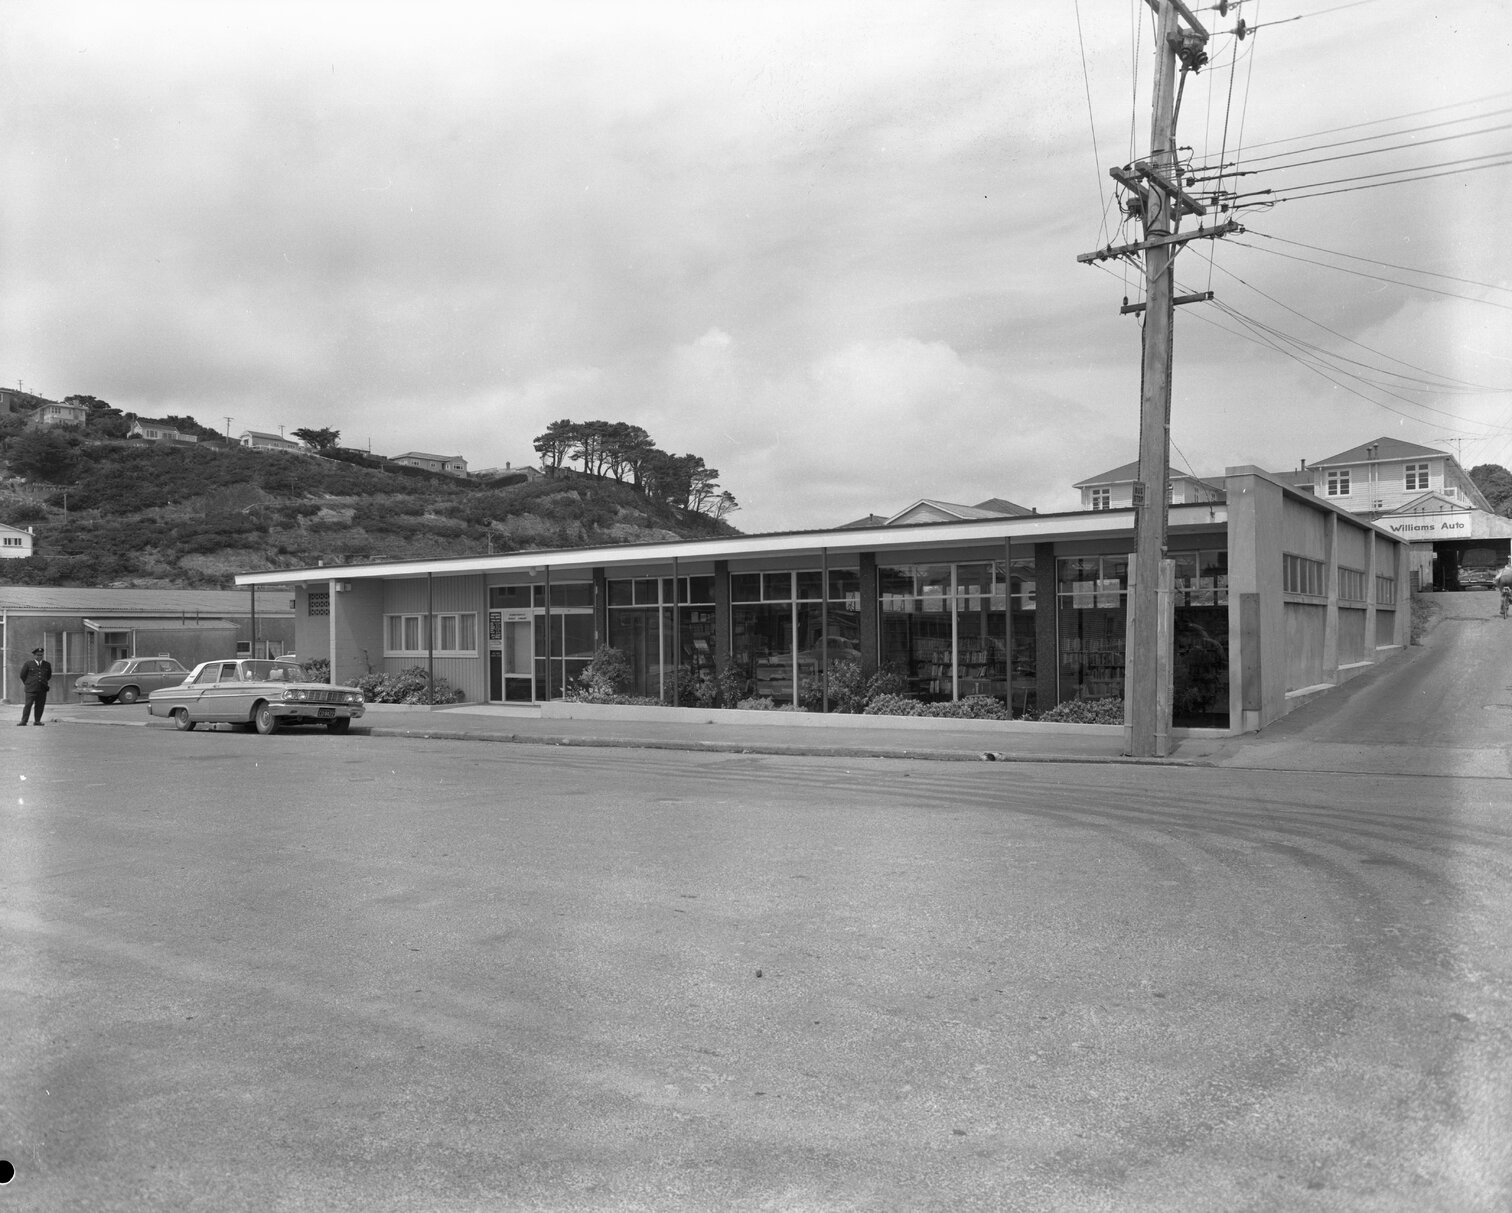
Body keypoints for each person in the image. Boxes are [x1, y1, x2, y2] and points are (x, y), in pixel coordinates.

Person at [18, 646, 52, 726]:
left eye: (41, 655)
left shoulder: (47, 664)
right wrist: (28, 683)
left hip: (42, 688)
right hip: (31, 689)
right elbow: (22, 675)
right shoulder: (28, 664)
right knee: (28, 705)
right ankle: (24, 721)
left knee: (40, 705)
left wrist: (42, 682)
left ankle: (37, 721)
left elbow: (48, 676)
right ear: (34, 655)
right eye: (38, 655)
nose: (39, 657)